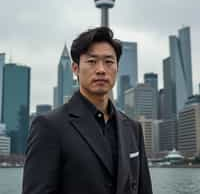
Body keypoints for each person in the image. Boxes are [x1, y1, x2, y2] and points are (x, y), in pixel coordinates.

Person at [22, 27, 153, 194]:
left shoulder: (133, 129)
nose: (101, 70)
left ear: (117, 68)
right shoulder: (49, 126)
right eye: (92, 61)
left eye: (109, 62)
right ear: (75, 68)